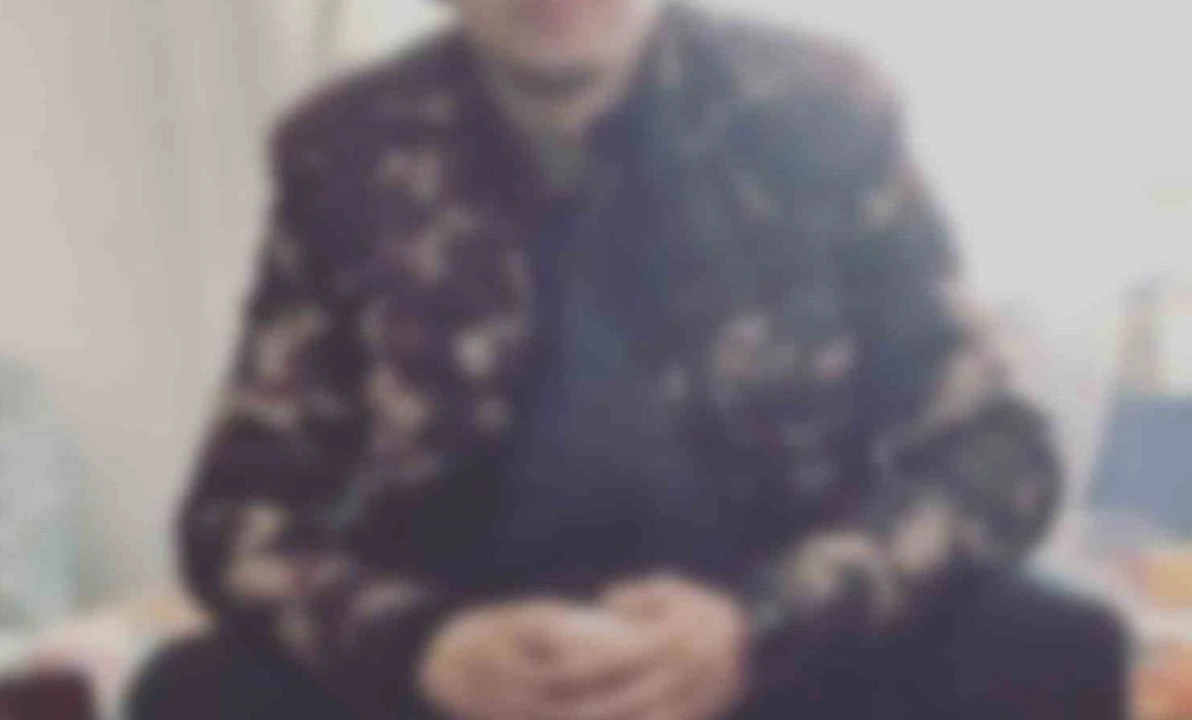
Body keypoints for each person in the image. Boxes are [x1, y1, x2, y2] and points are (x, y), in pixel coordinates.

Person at [129, 1, 1128, 719]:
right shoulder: (340, 151)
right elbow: (235, 518)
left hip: (777, 631)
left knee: (1057, 644)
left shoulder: (816, 110)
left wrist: (760, 627)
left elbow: (997, 455)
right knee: (186, 692)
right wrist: (421, 647)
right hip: (472, 649)